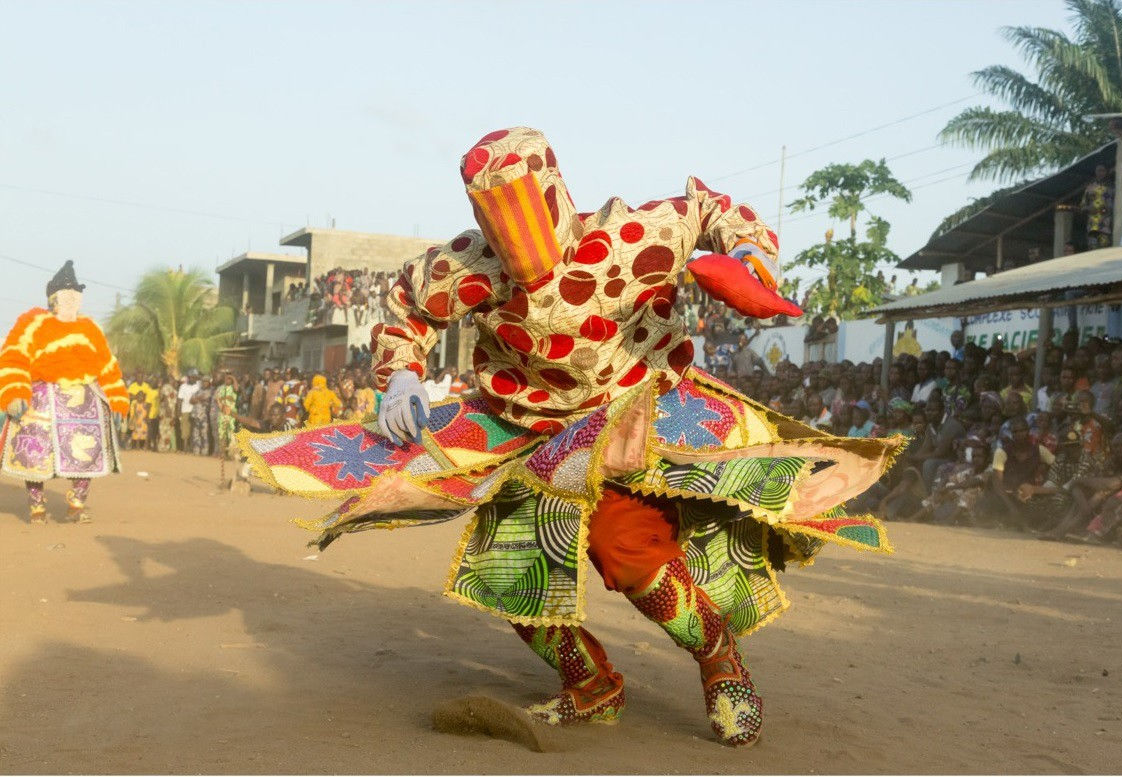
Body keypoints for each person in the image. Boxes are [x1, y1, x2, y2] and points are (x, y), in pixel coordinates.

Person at [239, 127, 899, 747]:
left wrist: (749, 259)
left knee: (626, 549)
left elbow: (711, 209)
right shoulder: (464, 266)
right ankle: (591, 684)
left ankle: (718, 657)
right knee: (510, 568)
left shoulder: (629, 238)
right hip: (525, 429)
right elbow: (407, 307)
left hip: (627, 415)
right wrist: (401, 374)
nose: (524, 271)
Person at [0, 261, 129, 523]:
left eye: (76, 296)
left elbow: (108, 367)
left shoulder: (91, 329)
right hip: (41, 401)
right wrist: (14, 393)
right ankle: (36, 506)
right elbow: (13, 357)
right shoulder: (32, 323)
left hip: (84, 406)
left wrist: (118, 402)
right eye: (66, 296)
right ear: (53, 300)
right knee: (32, 454)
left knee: (88, 454)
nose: (72, 301)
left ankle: (77, 504)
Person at [177, 371, 200, 452]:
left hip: (196, 411)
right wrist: (178, 412)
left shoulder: (198, 386)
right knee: (185, 430)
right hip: (185, 410)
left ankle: (192, 448)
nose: (191, 379)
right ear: (187, 377)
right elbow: (179, 400)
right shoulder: (183, 386)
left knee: (194, 430)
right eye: (190, 377)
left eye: (193, 377)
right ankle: (185, 447)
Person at [157, 378, 178, 453]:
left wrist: (174, 414)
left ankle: (166, 447)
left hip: (171, 413)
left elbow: (175, 403)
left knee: (169, 431)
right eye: (174, 380)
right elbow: (165, 398)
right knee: (162, 429)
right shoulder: (166, 386)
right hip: (165, 412)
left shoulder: (174, 390)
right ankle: (161, 447)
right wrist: (168, 409)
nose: (175, 381)